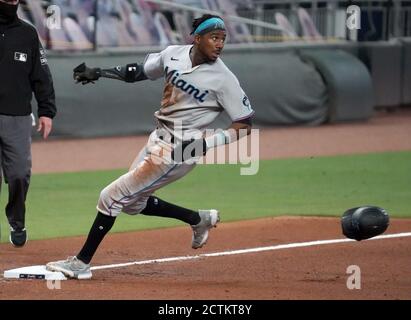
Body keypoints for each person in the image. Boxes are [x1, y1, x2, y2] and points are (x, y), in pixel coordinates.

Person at [46, 14, 254, 279]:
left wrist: (205, 144)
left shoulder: (224, 79)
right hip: (157, 139)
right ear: (197, 38)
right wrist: (99, 72)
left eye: (223, 39)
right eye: (214, 37)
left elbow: (244, 124)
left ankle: (81, 263)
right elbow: (138, 72)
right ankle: (197, 218)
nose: (220, 44)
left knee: (110, 197)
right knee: (132, 204)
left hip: (180, 150)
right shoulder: (173, 54)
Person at [0, 0, 56, 247]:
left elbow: (41, 74)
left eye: (13, 0)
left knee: (19, 175)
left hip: (17, 116)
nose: (9, 4)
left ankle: (17, 221)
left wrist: (46, 111)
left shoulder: (27, 33)